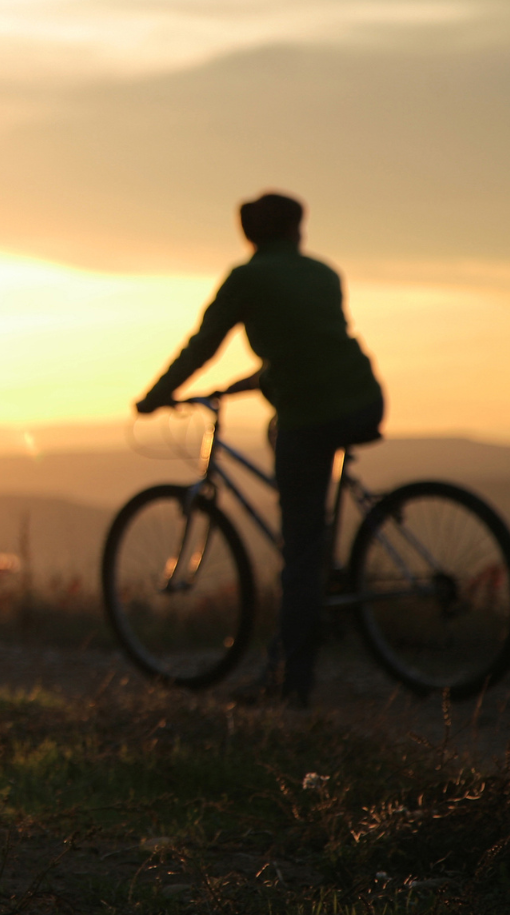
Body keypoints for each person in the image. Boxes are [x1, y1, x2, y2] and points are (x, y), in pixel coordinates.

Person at [135, 192, 384, 708]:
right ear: (296, 229)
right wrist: (248, 383)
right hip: (364, 399)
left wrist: (158, 394)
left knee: (299, 552)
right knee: (289, 456)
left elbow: (203, 344)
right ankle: (324, 577)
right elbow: (307, 346)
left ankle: (287, 681)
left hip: (310, 415)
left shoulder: (245, 279)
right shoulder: (323, 273)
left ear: (249, 234)